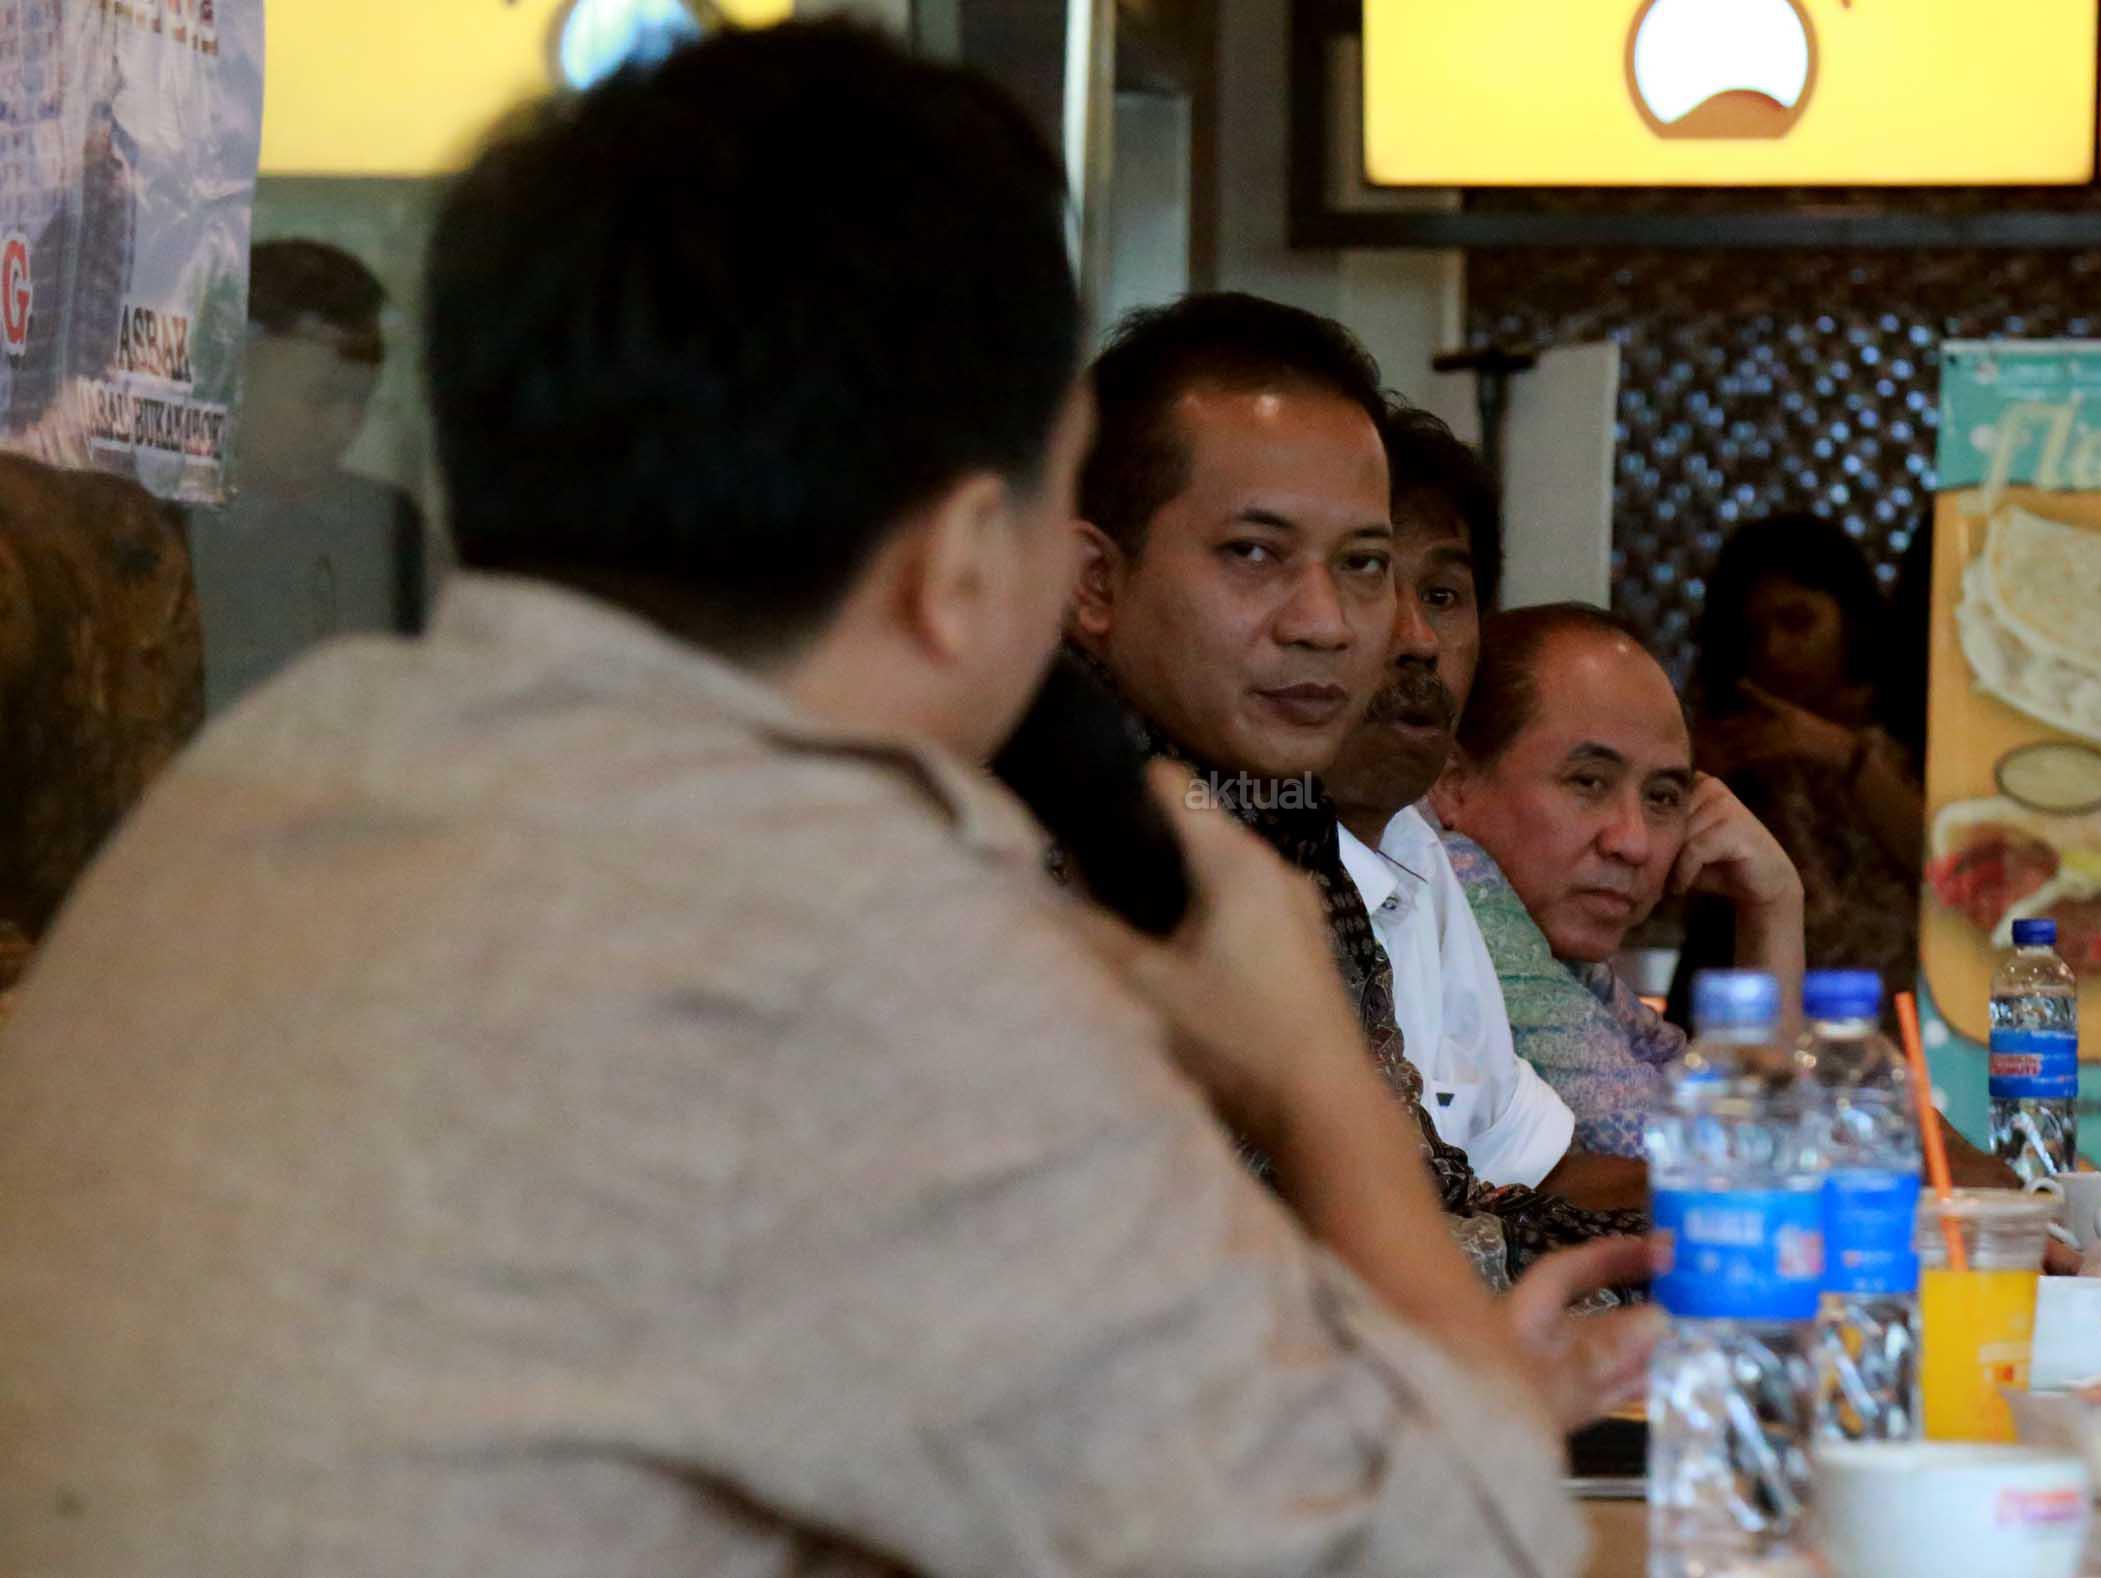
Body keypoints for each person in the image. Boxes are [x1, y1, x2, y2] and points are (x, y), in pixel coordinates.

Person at [0, 26, 1647, 1576]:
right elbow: (1453, 1542)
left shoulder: (271, 777)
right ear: (967, 559)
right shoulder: (856, 945)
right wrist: (1308, 1062)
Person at [1068, 291, 1648, 1274]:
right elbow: (1289, 1275)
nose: (1328, 623)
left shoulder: (1279, 818)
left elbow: (1428, 1204)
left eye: (1363, 564)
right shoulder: (1035, 844)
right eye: (1255, 553)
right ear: (1093, 581)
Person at [1434, 604, 2016, 1190]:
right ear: (1451, 781)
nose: (1633, 842)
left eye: (1663, 797)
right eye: (1588, 782)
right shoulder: (1459, 881)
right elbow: (1715, 1158)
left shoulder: (1571, 966)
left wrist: (1774, 903)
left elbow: (1751, 1120)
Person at [1323, 405, 1640, 1211]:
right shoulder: (1230, 854)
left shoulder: (1414, 847)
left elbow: (1530, 1173)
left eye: (1443, 594)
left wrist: (1774, 1195)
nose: (1418, 638)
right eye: (1366, 576)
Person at [1684, 512, 1926, 1002]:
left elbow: (1950, 872)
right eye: (1753, 633)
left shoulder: (1911, 724)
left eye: (1797, 623)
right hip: (1754, 1010)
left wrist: (1843, 754)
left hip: (1902, 1013)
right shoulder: (1724, 744)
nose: (1774, 649)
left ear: (1850, 619)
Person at [189, 239, 429, 714]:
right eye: (320, 398)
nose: (345, 428)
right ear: (230, 379)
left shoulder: (389, 527)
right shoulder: (154, 529)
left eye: (360, 400)